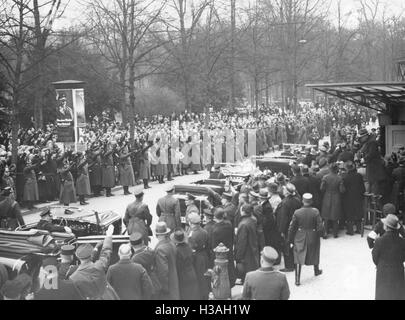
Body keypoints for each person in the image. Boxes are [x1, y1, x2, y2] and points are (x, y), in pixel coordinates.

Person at [70, 225, 119, 300]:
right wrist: (108, 236)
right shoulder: (99, 266)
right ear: (90, 255)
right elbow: (106, 251)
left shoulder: (73, 278)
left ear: (77, 257)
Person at [288, 194, 324, 286]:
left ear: (302, 201)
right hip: (313, 235)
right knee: (315, 252)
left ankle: (297, 279)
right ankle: (316, 270)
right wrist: (320, 234)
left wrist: (290, 239)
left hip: (300, 236)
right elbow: (320, 226)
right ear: (311, 202)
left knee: (298, 257)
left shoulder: (297, 212)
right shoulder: (315, 211)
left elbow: (292, 227)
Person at [372, 214, 405, 300]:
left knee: (383, 295)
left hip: (383, 272)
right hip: (398, 271)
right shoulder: (402, 241)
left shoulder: (379, 241)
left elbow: (375, 258)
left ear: (386, 227)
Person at [276, 184, 302, 272]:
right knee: (293, 244)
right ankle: (295, 262)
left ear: (287, 192)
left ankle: (289, 266)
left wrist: (281, 231)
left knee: (286, 246)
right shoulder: (297, 200)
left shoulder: (284, 202)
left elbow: (283, 218)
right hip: (296, 226)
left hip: (287, 227)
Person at [170, 229, 200, 300]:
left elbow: (178, 265)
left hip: (183, 276)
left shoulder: (176, 250)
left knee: (185, 295)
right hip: (192, 272)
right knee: (193, 294)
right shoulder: (189, 246)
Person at [187, 212, 210, 300]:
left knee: (198, 278)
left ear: (190, 223)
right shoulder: (204, 231)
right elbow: (208, 246)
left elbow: (190, 248)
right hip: (204, 256)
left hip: (196, 258)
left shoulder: (192, 234)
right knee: (205, 278)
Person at [130, 232, 160, 299]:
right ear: (143, 242)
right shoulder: (150, 250)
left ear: (131, 245)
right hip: (156, 284)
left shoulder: (134, 259)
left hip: (145, 289)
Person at [154, 222, 180, 300]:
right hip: (174, 280)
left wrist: (163, 287)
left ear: (157, 235)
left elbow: (163, 271)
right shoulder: (171, 243)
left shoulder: (160, 249)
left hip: (167, 285)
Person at [211, 208, 236, 287]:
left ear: (215, 217)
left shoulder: (215, 229)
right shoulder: (228, 224)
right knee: (229, 270)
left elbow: (213, 245)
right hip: (228, 251)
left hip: (219, 255)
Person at [235, 204, 260, 283]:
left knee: (247, 277)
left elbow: (241, 242)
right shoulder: (252, 220)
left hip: (246, 254)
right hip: (253, 250)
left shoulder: (243, 224)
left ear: (243, 212)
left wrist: (238, 256)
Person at [321, 163, 345, 238]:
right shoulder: (339, 178)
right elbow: (342, 190)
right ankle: (335, 233)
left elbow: (322, 188)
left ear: (330, 169)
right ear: (336, 169)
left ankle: (325, 232)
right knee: (335, 215)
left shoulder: (325, 177)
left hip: (327, 197)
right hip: (336, 197)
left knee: (326, 216)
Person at [342, 161, 365, 235]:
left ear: (347, 168)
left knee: (349, 213)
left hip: (348, 197)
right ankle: (359, 229)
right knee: (358, 212)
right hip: (358, 196)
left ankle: (350, 230)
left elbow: (344, 189)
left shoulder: (345, 177)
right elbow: (363, 188)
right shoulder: (359, 176)